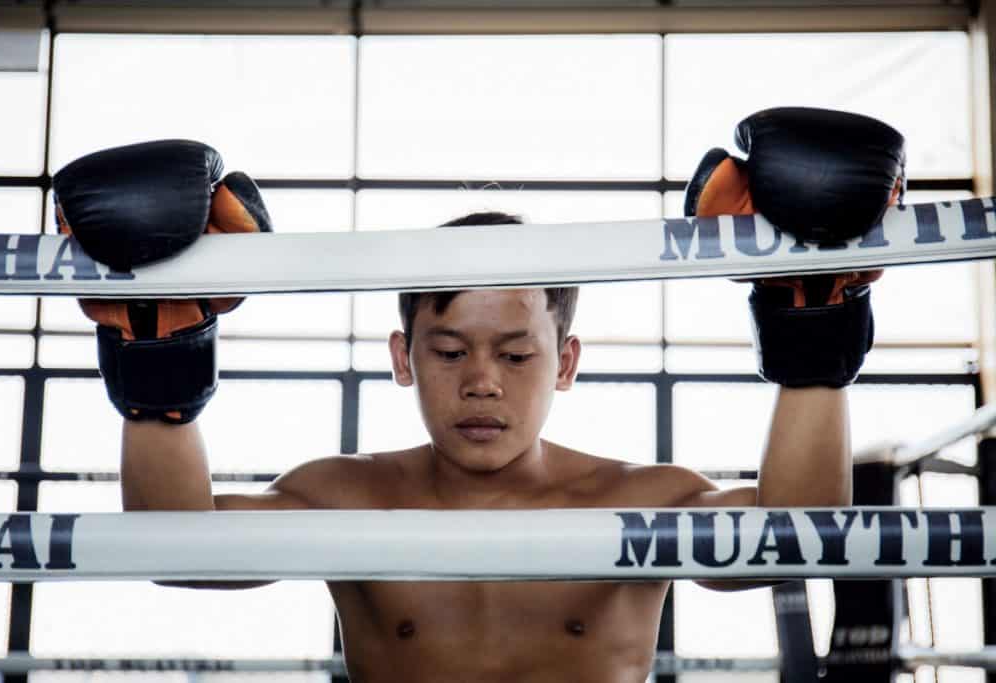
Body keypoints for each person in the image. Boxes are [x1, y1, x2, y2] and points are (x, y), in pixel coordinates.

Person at [53, 107, 905, 682]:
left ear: (565, 362)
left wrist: (812, 335)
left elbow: (796, 538)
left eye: (516, 353)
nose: (482, 381)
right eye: (450, 349)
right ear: (403, 356)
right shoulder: (349, 496)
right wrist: (157, 352)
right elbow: (177, 545)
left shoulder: (636, 497)